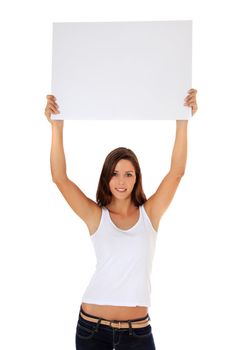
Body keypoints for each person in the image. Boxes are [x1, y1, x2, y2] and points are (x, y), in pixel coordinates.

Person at [44, 89, 198, 349]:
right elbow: (60, 178)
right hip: (92, 329)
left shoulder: (150, 215)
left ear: (137, 177)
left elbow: (176, 172)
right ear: (106, 177)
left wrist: (182, 121)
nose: (121, 181)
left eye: (128, 173)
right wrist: (56, 128)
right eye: (115, 173)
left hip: (137, 333)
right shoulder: (96, 216)